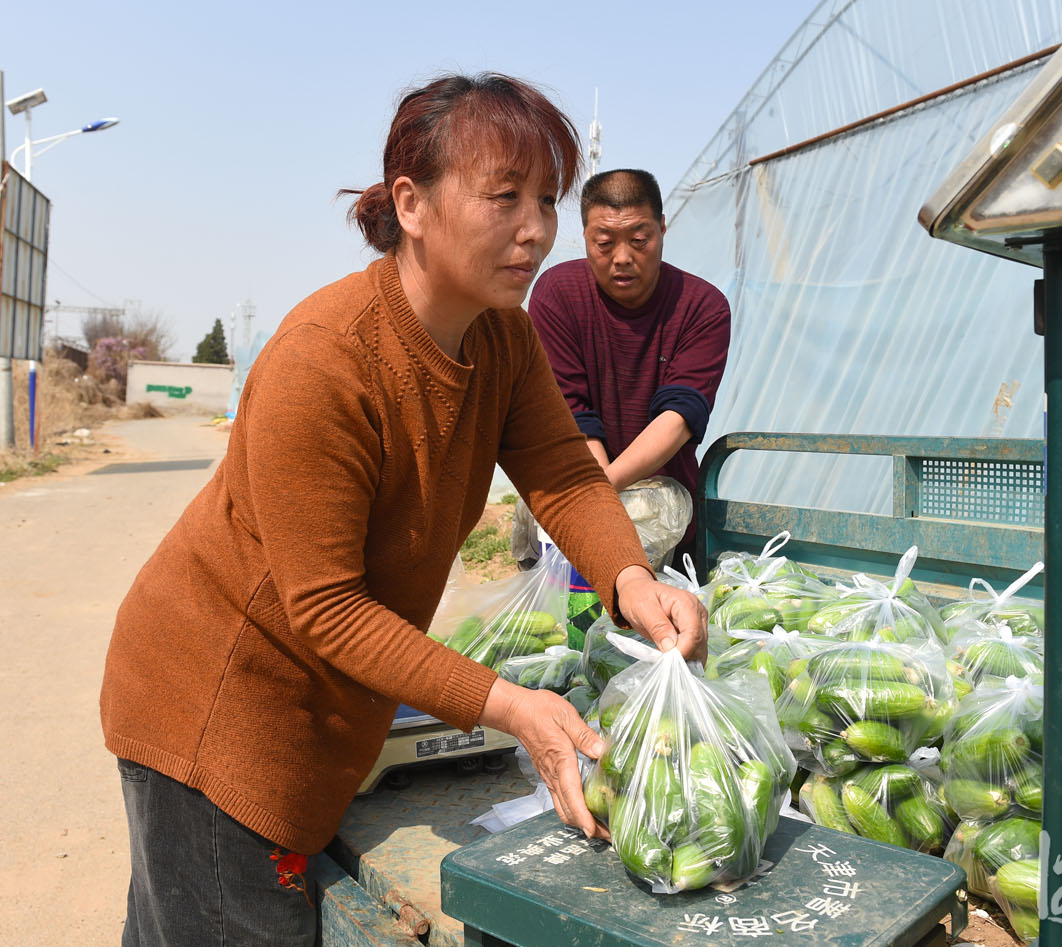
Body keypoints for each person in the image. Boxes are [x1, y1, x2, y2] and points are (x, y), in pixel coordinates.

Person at [99, 74, 707, 946]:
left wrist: (632, 580)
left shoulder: (502, 336)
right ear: (412, 203)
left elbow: (567, 477)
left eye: (546, 198)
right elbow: (326, 607)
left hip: (314, 715)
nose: (536, 229)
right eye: (505, 197)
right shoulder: (328, 359)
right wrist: (508, 703)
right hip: (215, 712)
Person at [526, 169, 731, 567]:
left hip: (665, 522)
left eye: (639, 240)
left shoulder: (702, 307)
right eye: (604, 243)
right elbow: (571, 413)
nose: (622, 258)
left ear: (662, 230)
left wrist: (600, 494)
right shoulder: (557, 295)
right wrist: (595, 512)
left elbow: (679, 415)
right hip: (574, 503)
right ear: (585, 237)